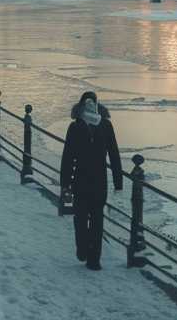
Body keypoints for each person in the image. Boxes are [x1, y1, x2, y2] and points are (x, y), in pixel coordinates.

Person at [59, 91, 123, 270]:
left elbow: (68, 157)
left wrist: (65, 183)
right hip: (93, 182)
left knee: (87, 219)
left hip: (84, 181)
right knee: (91, 220)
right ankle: (89, 255)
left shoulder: (86, 127)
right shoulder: (92, 126)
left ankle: (88, 254)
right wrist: (118, 182)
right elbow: (114, 156)